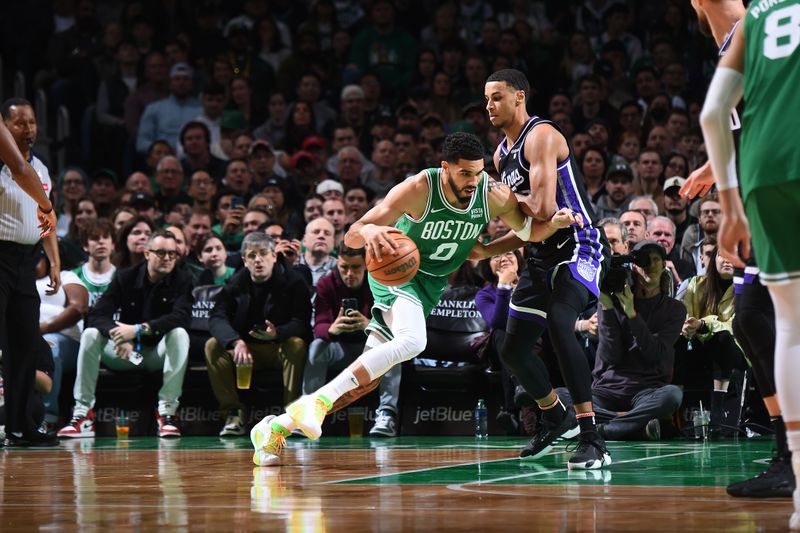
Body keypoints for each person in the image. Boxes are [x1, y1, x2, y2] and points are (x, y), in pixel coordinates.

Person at [249, 132, 581, 466]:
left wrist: (552, 225)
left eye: (479, 172)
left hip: (429, 288)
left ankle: (274, 427)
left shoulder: (491, 194)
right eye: (465, 173)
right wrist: (371, 231)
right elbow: (353, 233)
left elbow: (528, 233)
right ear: (445, 168)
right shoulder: (420, 188)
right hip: (396, 276)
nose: (474, 181)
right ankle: (314, 405)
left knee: (365, 381)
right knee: (413, 341)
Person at [686, 0, 792, 499]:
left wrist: (727, 195)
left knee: (775, 321)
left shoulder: (757, 25)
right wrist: (716, 167)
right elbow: (735, 122)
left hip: (771, 187)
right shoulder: (745, 36)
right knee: (752, 317)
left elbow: (720, 115)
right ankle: (787, 453)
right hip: (766, 189)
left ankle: (790, 457)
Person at [481, 69, 612, 469]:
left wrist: (498, 197)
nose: (489, 106)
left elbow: (541, 207)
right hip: (540, 252)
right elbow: (528, 227)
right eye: (486, 99)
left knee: (559, 322)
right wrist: (485, 248)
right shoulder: (503, 154)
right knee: (513, 349)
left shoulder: (542, 136)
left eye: (497, 97)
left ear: (520, 97)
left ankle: (593, 437)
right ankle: (557, 414)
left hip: (579, 244)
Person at [57, 230, 193, 438]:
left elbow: (181, 318)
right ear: (147, 253)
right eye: (161, 253)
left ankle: (167, 413)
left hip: (158, 354)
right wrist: (118, 335)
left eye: (172, 254)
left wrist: (137, 330)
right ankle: (83, 414)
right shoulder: (126, 277)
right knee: (91, 334)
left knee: (180, 334)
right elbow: (96, 315)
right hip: (128, 354)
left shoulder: (182, 280)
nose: (167, 258)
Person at [559, 240, 684, 441]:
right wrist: (608, 310)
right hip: (606, 389)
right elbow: (611, 356)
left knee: (672, 395)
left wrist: (632, 314)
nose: (650, 266)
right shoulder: (611, 301)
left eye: (655, 260)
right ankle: (632, 426)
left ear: (664, 265)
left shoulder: (675, 308)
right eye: (644, 261)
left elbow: (654, 353)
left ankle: (602, 428)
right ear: (635, 266)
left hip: (647, 391)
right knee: (562, 396)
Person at [205, 232, 311, 437]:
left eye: (263, 253)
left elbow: (302, 323)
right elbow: (216, 317)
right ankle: (233, 414)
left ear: (274, 256)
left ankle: (291, 415)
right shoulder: (235, 283)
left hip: (279, 348)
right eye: (252, 255)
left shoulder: (293, 281)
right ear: (245, 260)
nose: (258, 259)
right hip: (245, 353)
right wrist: (235, 342)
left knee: (297, 344)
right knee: (212, 345)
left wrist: (278, 333)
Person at [0, 98, 58, 447]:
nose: (28, 129)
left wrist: (54, 260)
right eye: (20, 123)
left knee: (23, 344)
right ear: (6, 127)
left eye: (32, 122)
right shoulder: (7, 165)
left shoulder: (42, 169)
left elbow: (46, 221)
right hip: (0, 256)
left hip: (26, 261)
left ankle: (20, 427)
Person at [303, 244, 402, 436]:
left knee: (394, 349)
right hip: (340, 348)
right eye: (343, 267)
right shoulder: (326, 283)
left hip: (370, 349)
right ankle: (308, 413)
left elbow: (393, 327)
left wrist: (368, 324)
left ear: (366, 265)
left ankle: (386, 415)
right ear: (337, 264)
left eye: (355, 268)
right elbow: (319, 326)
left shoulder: (381, 283)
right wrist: (332, 328)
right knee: (317, 346)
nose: (349, 273)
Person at [675, 240, 745, 432]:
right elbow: (688, 316)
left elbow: (734, 326)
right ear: (713, 259)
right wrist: (688, 327)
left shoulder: (746, 289)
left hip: (735, 350)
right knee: (678, 342)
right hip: (700, 343)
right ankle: (675, 415)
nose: (728, 260)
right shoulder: (696, 284)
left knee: (723, 338)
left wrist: (704, 324)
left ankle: (717, 414)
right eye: (723, 254)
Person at [36, 248, 89, 431]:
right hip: (23, 341)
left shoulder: (65, 276)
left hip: (64, 341)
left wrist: (42, 329)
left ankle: (47, 417)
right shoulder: (15, 280)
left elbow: (79, 307)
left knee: (51, 346)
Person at [73, 219, 117, 309]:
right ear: (85, 246)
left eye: (105, 237)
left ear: (113, 244)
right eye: (95, 238)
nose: (101, 242)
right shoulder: (73, 277)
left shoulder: (123, 277)